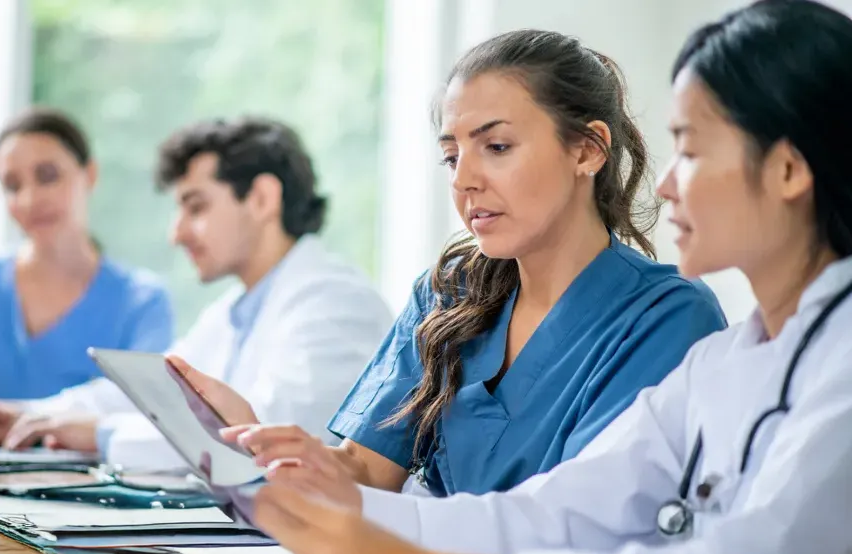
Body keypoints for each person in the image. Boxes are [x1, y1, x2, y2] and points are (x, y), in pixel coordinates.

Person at [238, 1, 852, 554]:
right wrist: (350, 508)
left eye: (690, 152)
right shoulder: (723, 363)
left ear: (790, 170)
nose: (666, 185)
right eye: (451, 156)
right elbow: (557, 510)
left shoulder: (719, 331)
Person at [176, 30, 728, 499]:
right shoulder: (447, 295)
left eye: (497, 147)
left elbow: (579, 523)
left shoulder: (667, 318)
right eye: (450, 155)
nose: (464, 179)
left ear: (586, 149)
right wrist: (256, 441)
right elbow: (365, 474)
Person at [0, 117, 394, 468]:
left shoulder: (334, 301)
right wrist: (27, 414)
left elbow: (266, 435)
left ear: (262, 199)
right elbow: (149, 392)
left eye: (195, 207)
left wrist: (101, 434)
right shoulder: (231, 312)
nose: (176, 233)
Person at [0, 108, 174, 402]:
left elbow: (140, 412)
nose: (30, 199)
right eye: (13, 186)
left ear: (90, 175)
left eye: (47, 176)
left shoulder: (141, 304)